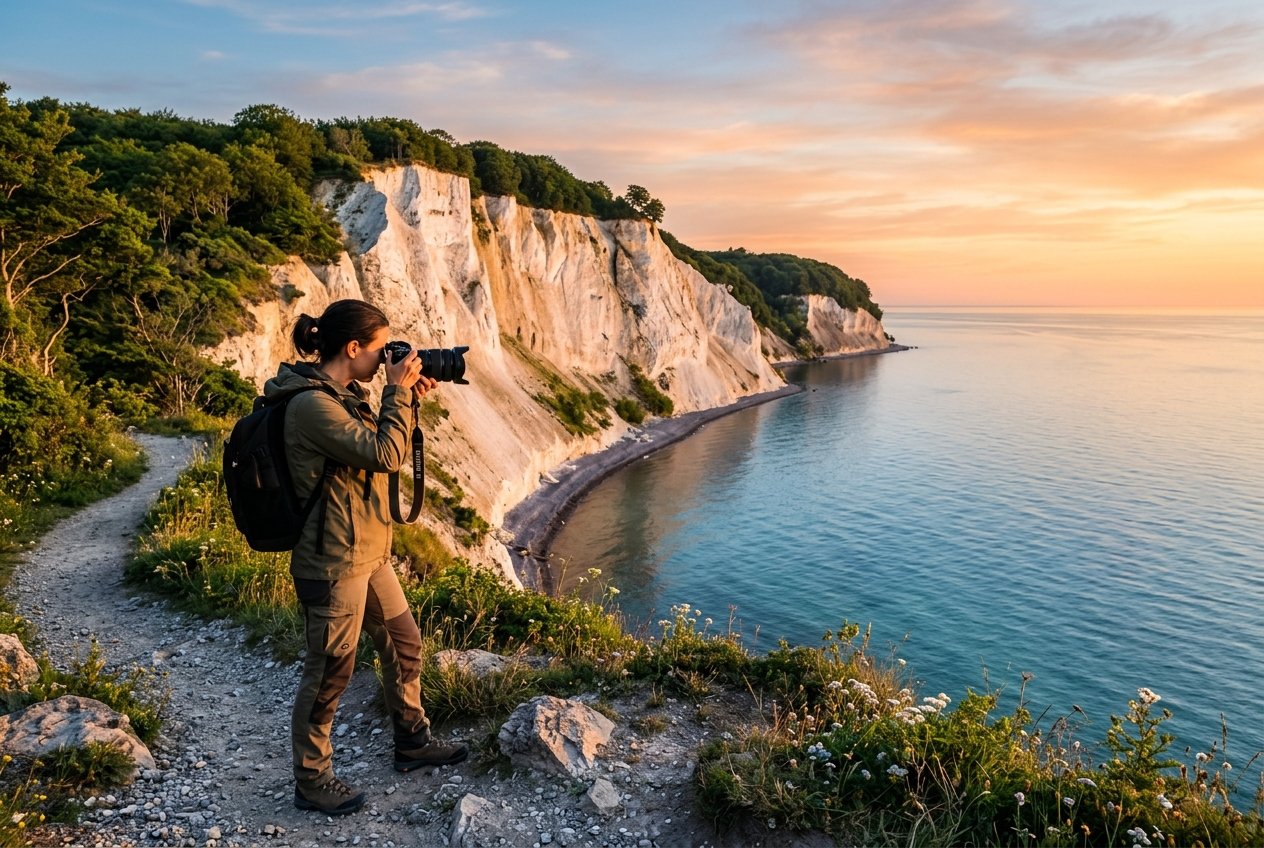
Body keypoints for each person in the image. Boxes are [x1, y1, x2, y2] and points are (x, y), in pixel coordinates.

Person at [265, 298, 468, 816]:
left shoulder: (344, 394)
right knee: (332, 669)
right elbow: (384, 454)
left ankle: (412, 741)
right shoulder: (312, 405)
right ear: (352, 348)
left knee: (405, 644)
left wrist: (406, 398)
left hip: (368, 554)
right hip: (332, 562)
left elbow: (379, 448)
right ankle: (311, 779)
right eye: (380, 350)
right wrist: (397, 391)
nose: (386, 360)